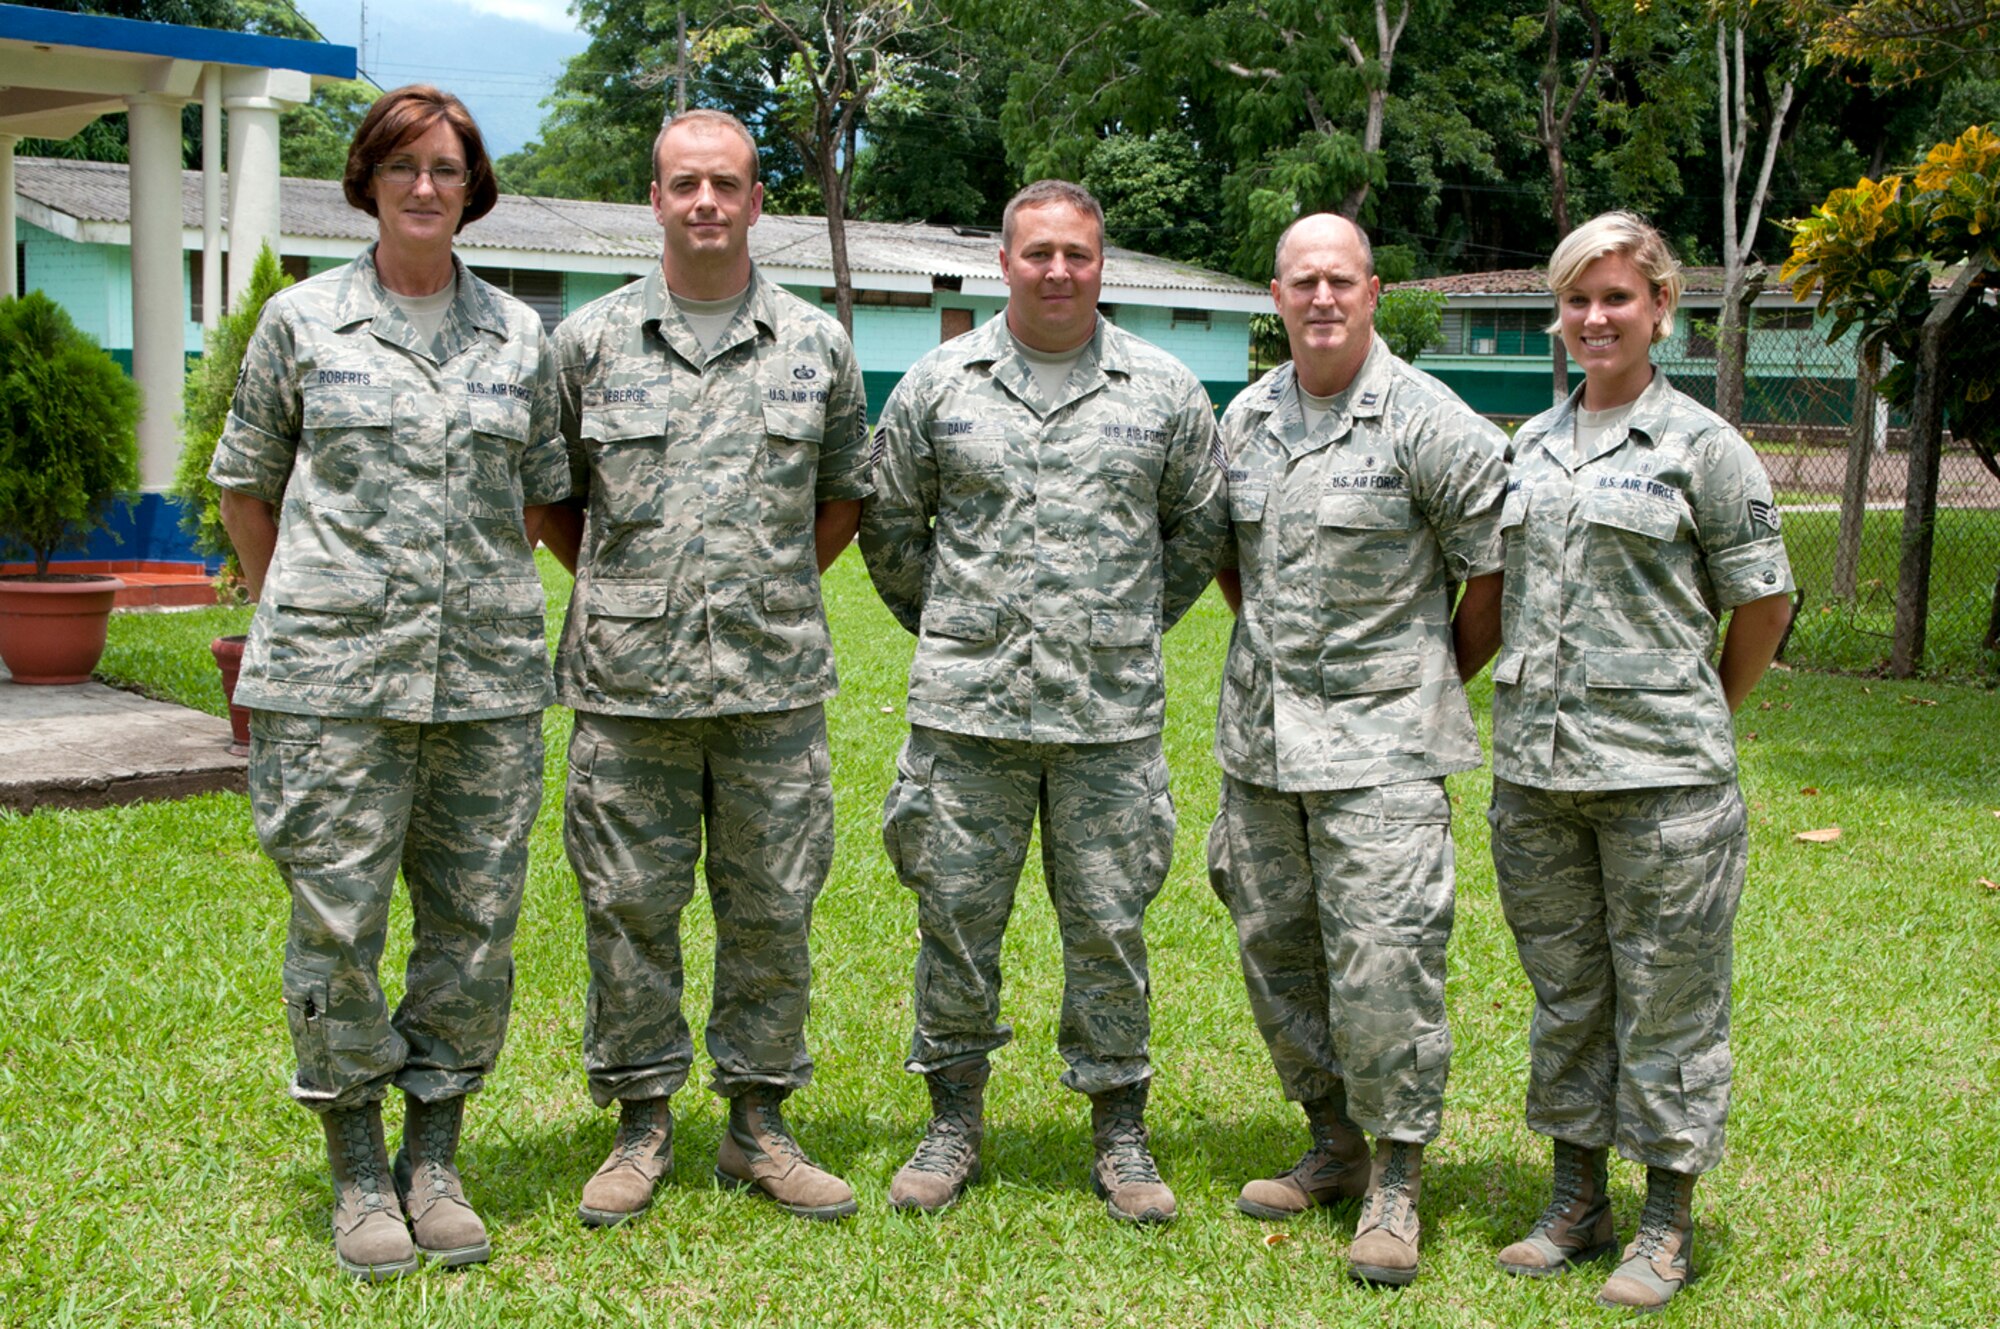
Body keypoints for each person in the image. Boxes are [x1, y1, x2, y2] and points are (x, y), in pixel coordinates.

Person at [212, 86, 567, 1280]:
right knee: (335, 924)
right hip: (332, 688)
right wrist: (303, 612)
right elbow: (246, 485)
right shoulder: (301, 323)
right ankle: (359, 1170)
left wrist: (458, 594)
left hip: (484, 689)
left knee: (473, 928)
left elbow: (538, 495)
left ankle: (437, 1156)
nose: (426, 186)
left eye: (449, 169)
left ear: (475, 190)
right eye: (404, 166)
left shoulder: (523, 338)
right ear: (365, 179)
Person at [859, 179, 1229, 1225]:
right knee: (955, 924)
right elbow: (891, 532)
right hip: (966, 719)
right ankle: (951, 1123)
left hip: (1106, 721)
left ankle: (1119, 1130)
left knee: (1109, 928)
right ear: (1003, 263)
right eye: (1037, 254)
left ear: (1100, 263)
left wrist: (1107, 627)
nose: (1057, 270)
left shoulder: (1163, 390)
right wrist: (966, 628)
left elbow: (1194, 536)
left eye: (1076, 253)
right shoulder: (938, 384)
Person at [537, 109, 870, 1226]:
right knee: (627, 904)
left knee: (772, 905)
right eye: (684, 184)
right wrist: (635, 590)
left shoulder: (816, 344)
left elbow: (839, 497)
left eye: (725, 183)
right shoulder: (585, 344)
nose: (705, 204)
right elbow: (552, 499)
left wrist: (762, 581)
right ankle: (639, 1124)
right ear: (655, 198)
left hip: (773, 684)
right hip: (628, 688)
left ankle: (758, 1124)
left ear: (756, 199)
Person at [1486, 211, 1793, 1313]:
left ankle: (1665, 1220)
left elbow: (1761, 601)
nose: (1593, 317)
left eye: (1615, 296)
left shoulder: (1701, 447)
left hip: (1663, 780)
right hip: (1536, 776)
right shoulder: (1524, 446)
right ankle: (1575, 1199)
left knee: (1668, 1003)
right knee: (1566, 995)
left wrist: (1704, 709)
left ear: (1660, 308)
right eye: (1575, 299)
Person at [1207, 213, 1509, 1286]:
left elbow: (1494, 573)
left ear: (1372, 291)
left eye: (1339, 280)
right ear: (1276, 299)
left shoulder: (1423, 420)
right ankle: (1329, 1141)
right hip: (1261, 753)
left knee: (1385, 967)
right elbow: (1234, 570)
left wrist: (1423, 676)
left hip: (1382, 755)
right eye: (1301, 282)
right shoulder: (1241, 421)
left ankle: (1395, 1178)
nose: (1320, 298)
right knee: (1275, 955)